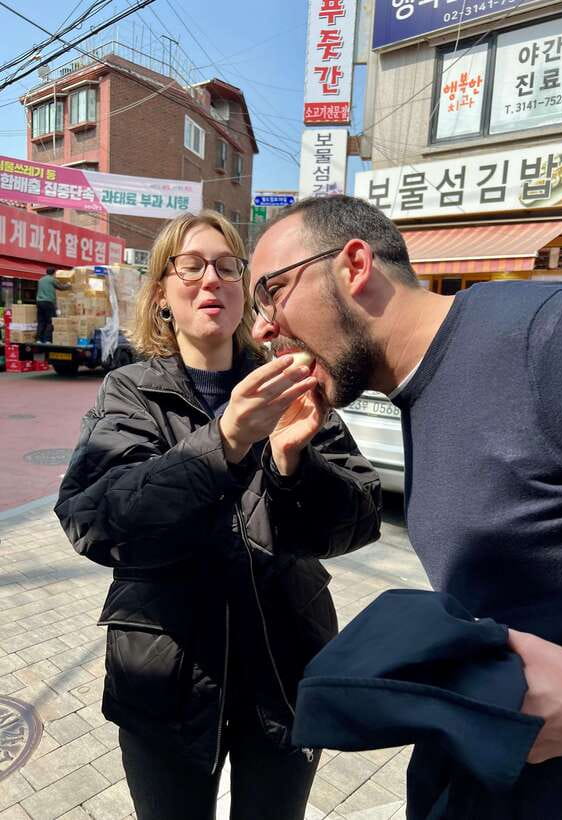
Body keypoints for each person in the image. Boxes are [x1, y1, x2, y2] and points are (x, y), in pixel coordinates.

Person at [249, 194, 562, 817]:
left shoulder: (555, 333)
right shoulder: (418, 389)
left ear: (354, 265)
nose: (261, 327)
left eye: (272, 291)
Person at [54, 209, 381, 820]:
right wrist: (223, 443)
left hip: (285, 673)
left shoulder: (286, 380)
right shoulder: (129, 392)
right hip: (167, 676)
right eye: (193, 266)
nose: (213, 280)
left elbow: (360, 515)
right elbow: (95, 519)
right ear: (160, 295)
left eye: (230, 268)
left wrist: (292, 462)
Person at [35, 266, 71, 343]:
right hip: (48, 302)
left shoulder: (40, 280)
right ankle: (47, 340)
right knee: (50, 321)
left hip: (39, 302)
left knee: (41, 321)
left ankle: (38, 339)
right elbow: (61, 287)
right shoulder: (52, 279)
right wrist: (69, 285)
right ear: (54, 273)